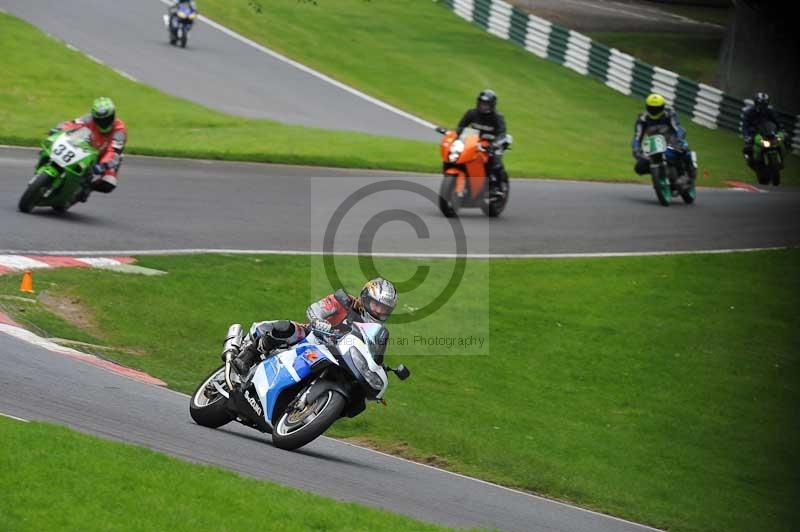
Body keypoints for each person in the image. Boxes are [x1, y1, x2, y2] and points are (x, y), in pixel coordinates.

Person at [230, 278, 397, 375]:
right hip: (313, 337)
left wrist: (379, 369)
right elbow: (314, 309)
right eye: (376, 305)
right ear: (365, 297)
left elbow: (375, 357)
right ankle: (248, 355)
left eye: (384, 309)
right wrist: (318, 321)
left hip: (337, 357)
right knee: (286, 328)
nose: (379, 311)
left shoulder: (376, 332)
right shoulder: (343, 300)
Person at [41, 97, 127, 202]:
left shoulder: (120, 130)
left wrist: (103, 166)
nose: (104, 122)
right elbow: (73, 123)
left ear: (113, 115)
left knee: (109, 182)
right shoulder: (89, 118)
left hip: (105, 157)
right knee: (60, 141)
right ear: (94, 116)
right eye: (100, 120)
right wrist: (58, 129)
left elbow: (113, 152)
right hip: (87, 146)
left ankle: (87, 188)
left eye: (107, 119)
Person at [456, 89, 509, 195]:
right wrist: (457, 135)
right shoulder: (471, 113)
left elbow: (502, 133)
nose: (483, 106)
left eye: (486, 104)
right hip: (474, 142)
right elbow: (460, 127)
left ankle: (495, 187)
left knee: (495, 162)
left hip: (491, 144)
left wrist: (495, 144)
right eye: (481, 103)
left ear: (492, 105)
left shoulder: (497, 117)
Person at [631, 93, 695, 179]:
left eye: (657, 108)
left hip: (672, 144)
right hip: (654, 147)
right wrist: (636, 149)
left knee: (684, 150)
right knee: (639, 168)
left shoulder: (669, 114)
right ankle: (659, 172)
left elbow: (678, 128)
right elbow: (637, 137)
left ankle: (689, 170)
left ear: (663, 107)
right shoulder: (642, 119)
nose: (654, 110)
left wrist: (679, 139)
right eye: (651, 108)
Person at [741, 92, 785, 169]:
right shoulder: (749, 112)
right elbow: (745, 126)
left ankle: (782, 160)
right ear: (756, 103)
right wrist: (746, 136)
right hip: (755, 133)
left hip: (768, 132)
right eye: (761, 104)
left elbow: (777, 121)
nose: (762, 106)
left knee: (781, 141)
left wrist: (781, 128)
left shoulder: (769, 111)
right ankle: (751, 161)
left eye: (765, 104)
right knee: (747, 148)